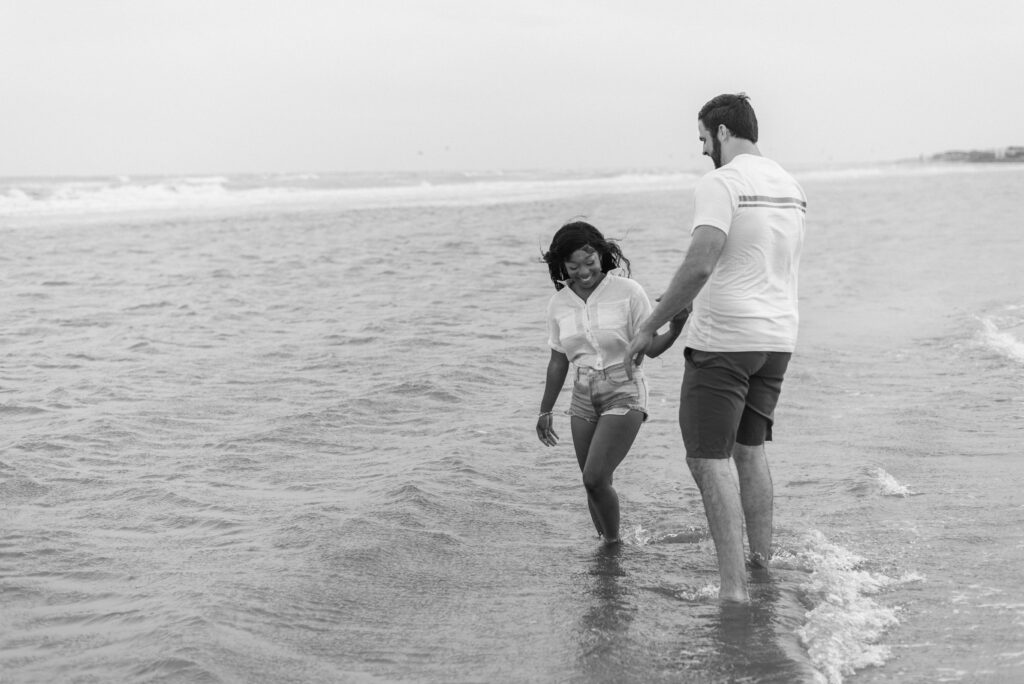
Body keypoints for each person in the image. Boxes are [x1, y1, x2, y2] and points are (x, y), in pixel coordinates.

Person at [625, 93, 807, 601]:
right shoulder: (790, 185)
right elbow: (750, 259)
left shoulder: (721, 182)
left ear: (723, 132)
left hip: (726, 341)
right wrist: (683, 302)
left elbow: (703, 262)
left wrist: (649, 327)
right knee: (750, 449)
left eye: (704, 138)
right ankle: (760, 564)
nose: (703, 149)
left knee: (708, 458)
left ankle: (734, 590)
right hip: (777, 338)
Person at [536, 220, 688, 545]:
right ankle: (607, 550)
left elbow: (653, 346)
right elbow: (558, 359)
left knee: (595, 477)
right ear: (561, 265)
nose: (583, 271)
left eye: (589, 262)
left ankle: (614, 545)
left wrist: (676, 327)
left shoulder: (629, 292)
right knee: (591, 483)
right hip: (581, 394)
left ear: (601, 256)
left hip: (624, 388)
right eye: (573, 266)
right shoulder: (558, 303)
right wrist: (544, 410)